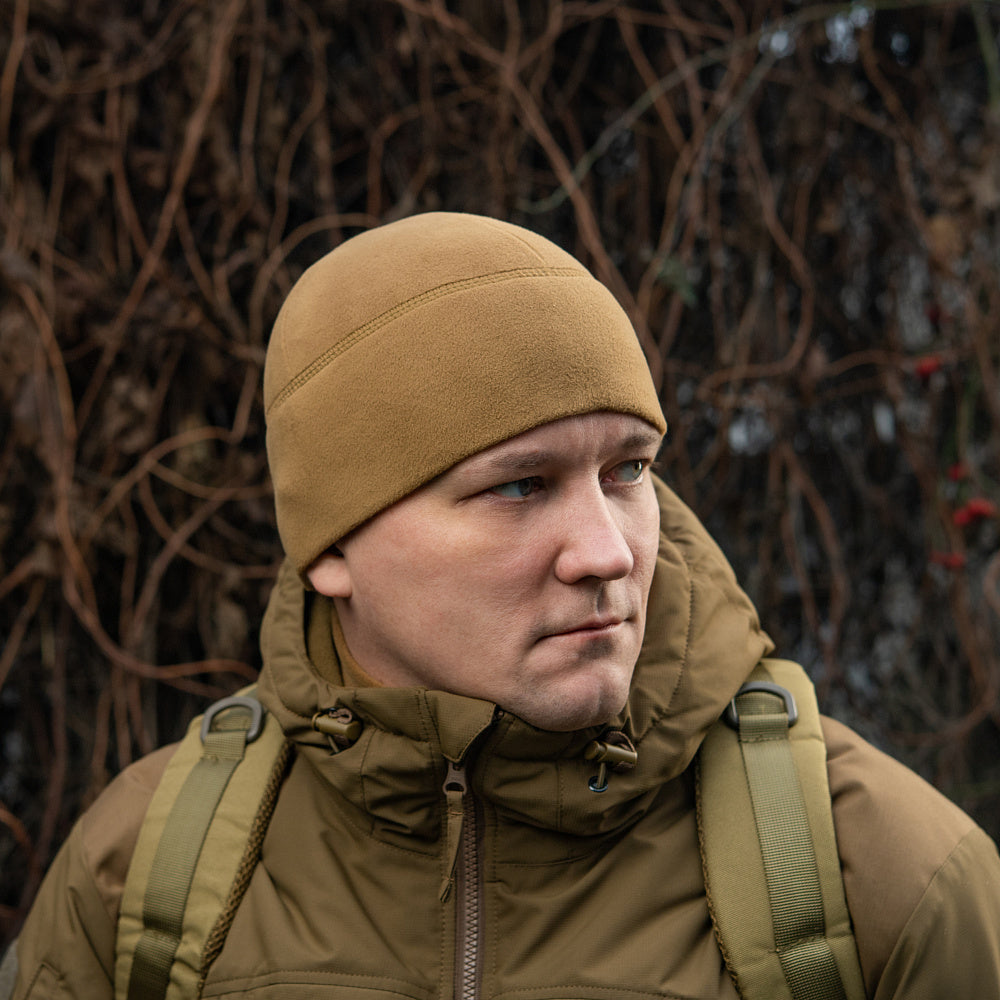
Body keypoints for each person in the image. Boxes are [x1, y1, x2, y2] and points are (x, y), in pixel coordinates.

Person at [7, 212, 1000, 999]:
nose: (609, 552)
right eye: (520, 486)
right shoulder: (142, 884)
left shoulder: (879, 878)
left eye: (628, 470)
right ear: (332, 548)